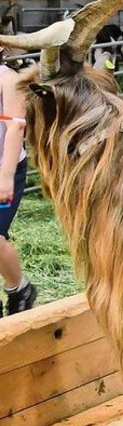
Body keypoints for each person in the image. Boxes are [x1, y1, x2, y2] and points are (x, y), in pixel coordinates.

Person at [0, 50, 35, 317]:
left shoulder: (8, 79)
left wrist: (6, 176)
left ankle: (19, 288)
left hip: (6, 167)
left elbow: (16, 128)